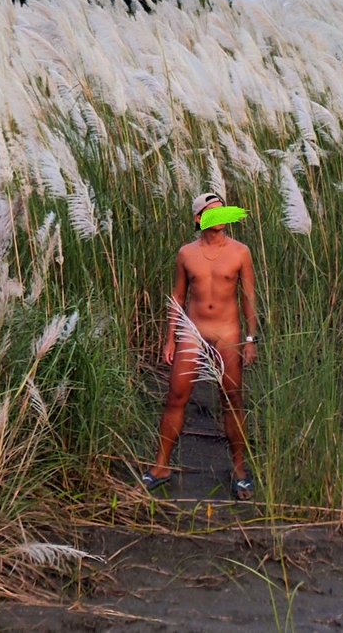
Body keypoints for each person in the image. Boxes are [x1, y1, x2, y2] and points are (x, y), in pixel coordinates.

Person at [142, 192, 258, 499]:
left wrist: (250, 339)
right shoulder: (186, 254)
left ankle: (239, 470)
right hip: (192, 331)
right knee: (176, 396)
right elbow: (178, 297)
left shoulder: (240, 252)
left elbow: (249, 298)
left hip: (227, 332)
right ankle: (161, 466)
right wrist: (171, 337)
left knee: (232, 399)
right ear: (198, 219)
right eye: (212, 213)